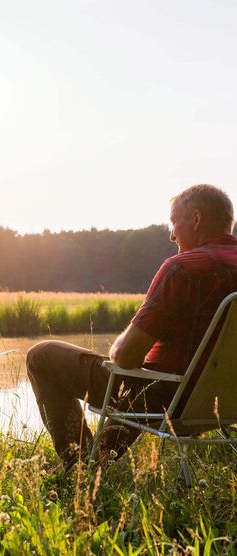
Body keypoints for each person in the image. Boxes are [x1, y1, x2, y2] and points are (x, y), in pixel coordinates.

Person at [27, 184, 237, 469]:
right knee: (143, 379)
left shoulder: (182, 269)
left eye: (174, 222)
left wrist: (118, 348)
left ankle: (79, 466)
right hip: (225, 402)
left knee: (42, 356)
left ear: (196, 219)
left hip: (170, 398)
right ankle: (99, 458)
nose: (172, 234)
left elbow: (126, 357)